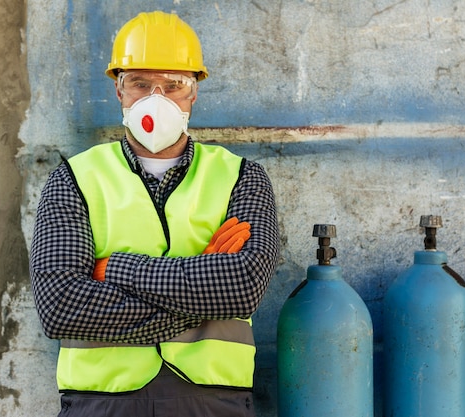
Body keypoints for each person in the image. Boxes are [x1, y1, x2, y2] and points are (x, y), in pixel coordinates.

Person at [29, 10, 279, 417]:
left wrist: (114, 270)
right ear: (119, 91)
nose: (156, 98)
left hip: (215, 401)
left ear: (194, 92)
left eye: (174, 85)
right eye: (141, 84)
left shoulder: (241, 178)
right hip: (100, 401)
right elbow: (60, 307)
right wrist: (201, 284)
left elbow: (242, 287)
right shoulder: (74, 179)